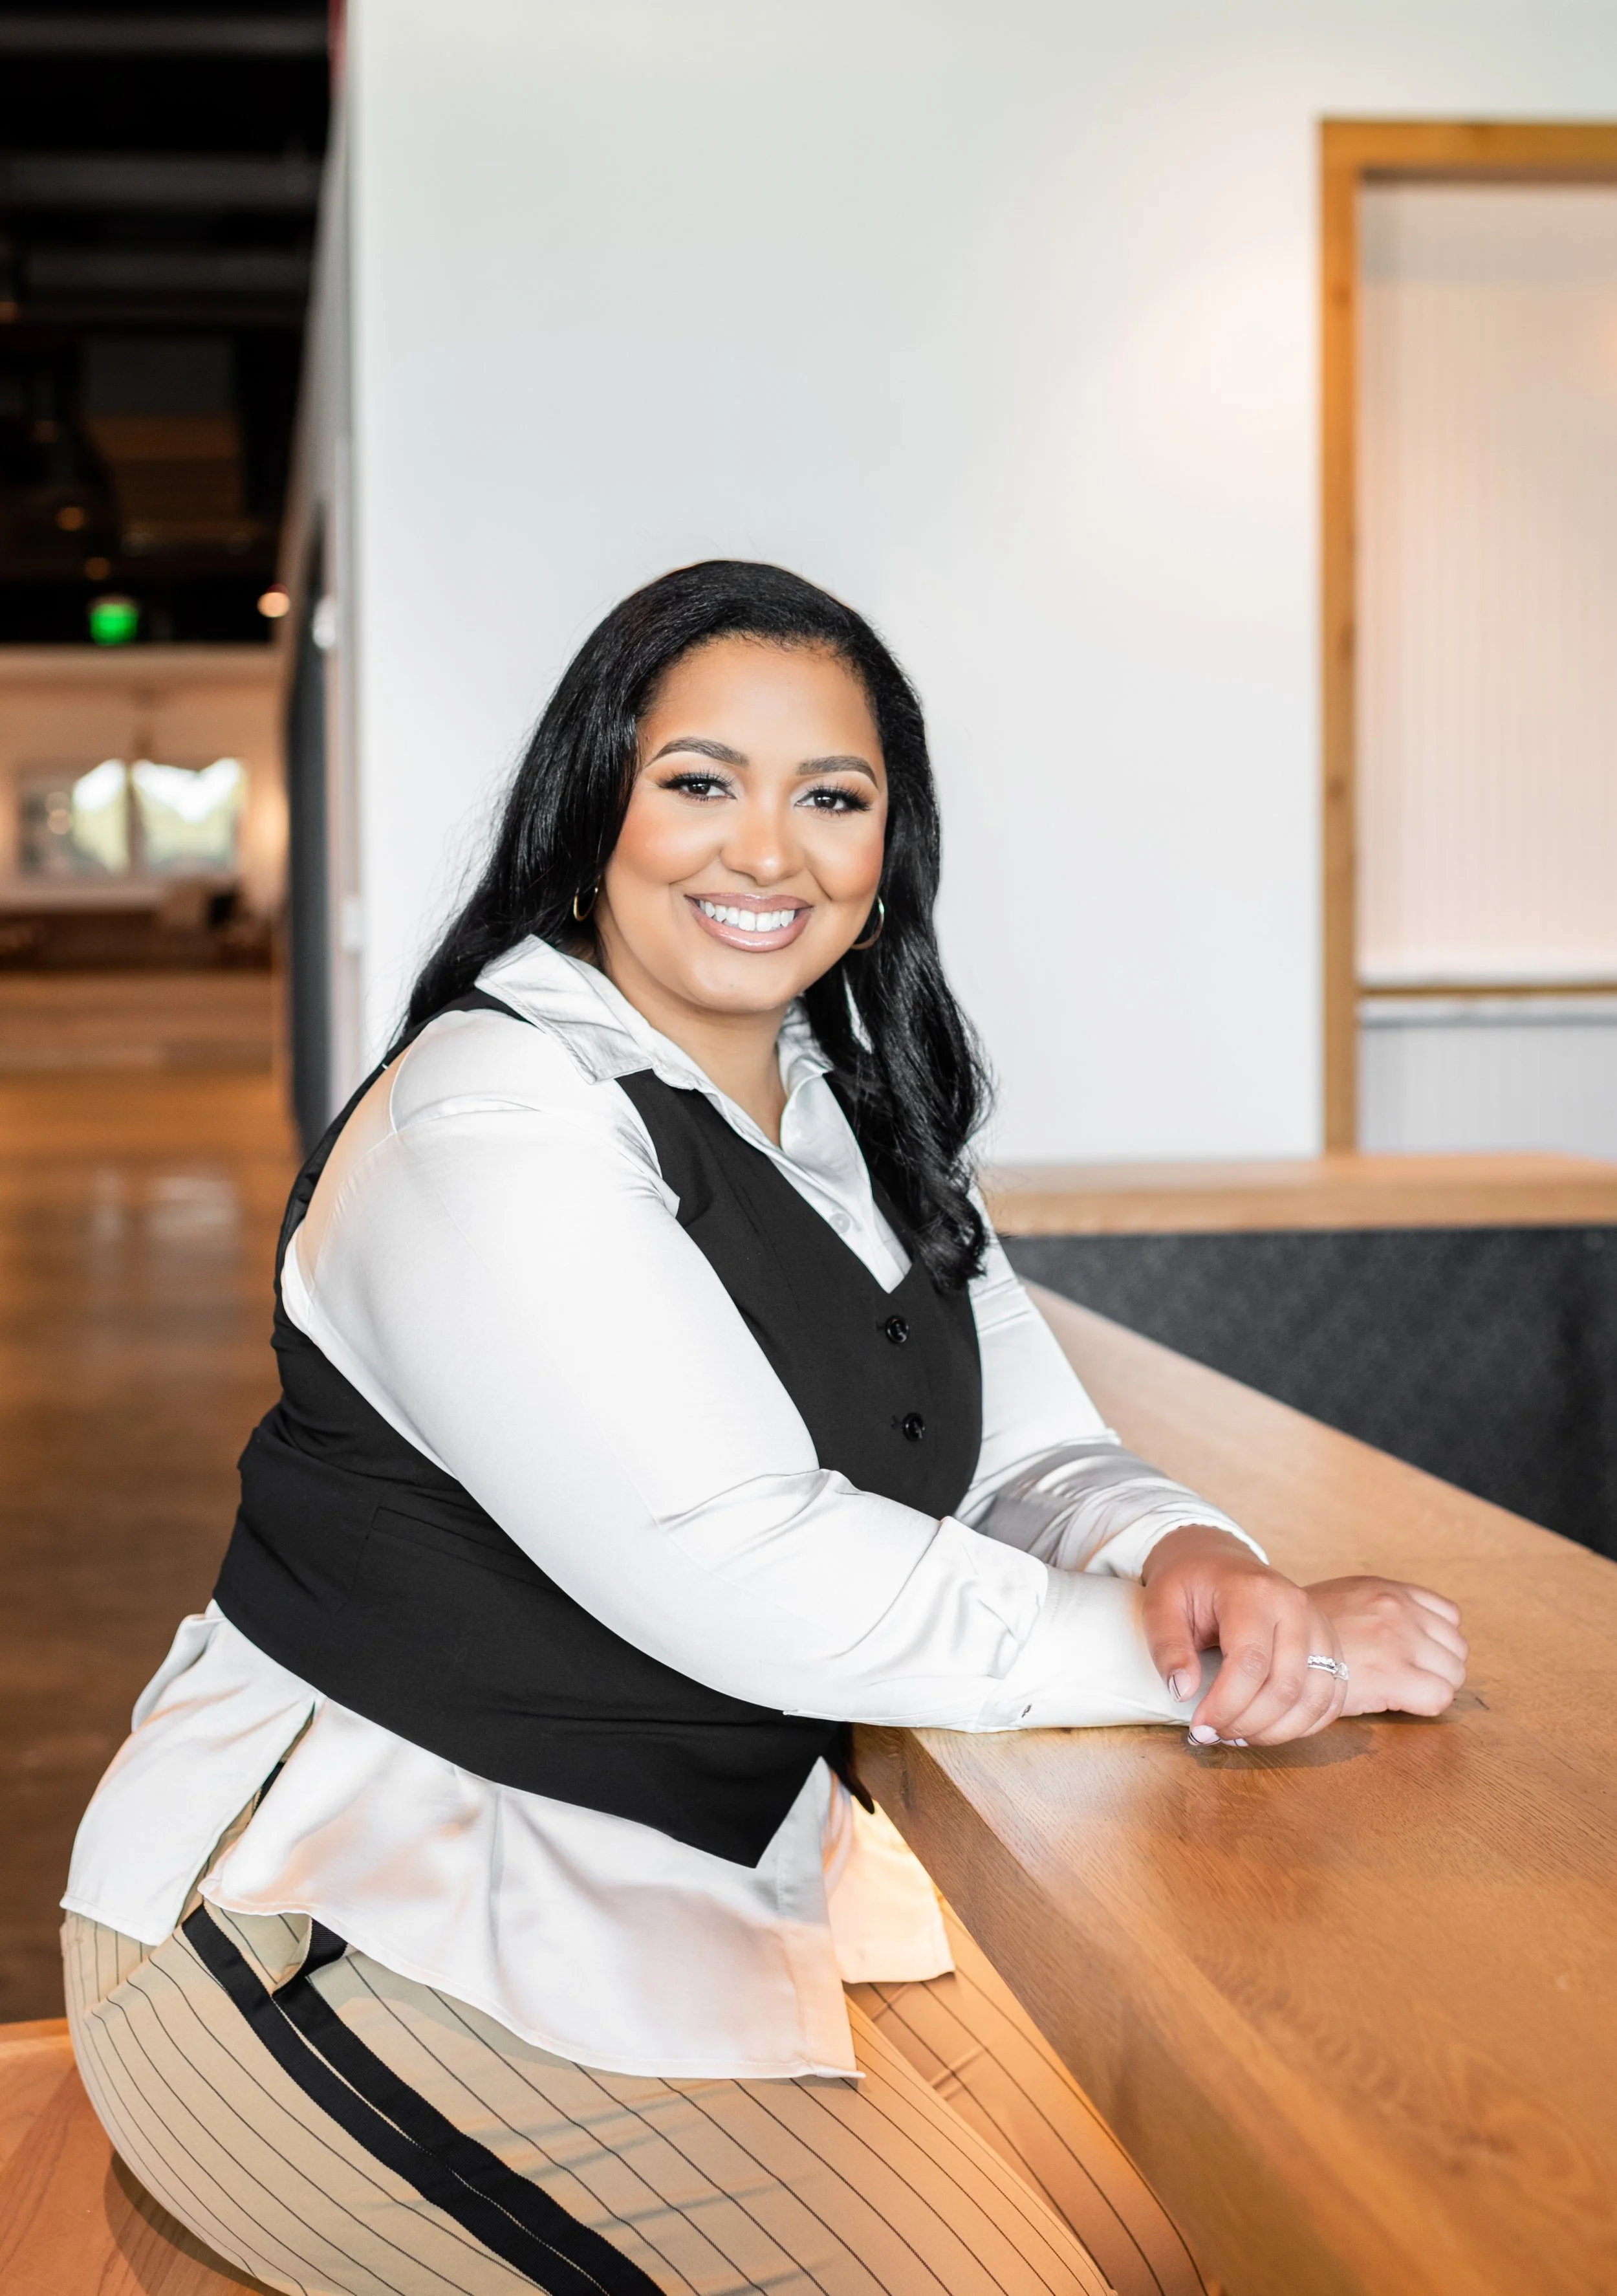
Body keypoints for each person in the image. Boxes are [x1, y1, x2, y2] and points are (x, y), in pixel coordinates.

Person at [62, 562, 1468, 2296]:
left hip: (671, 1891)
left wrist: (1193, 1560)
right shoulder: (489, 1113)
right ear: (591, 813)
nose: (767, 848)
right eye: (699, 781)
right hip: (324, 1917)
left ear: (890, 856)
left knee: (1170, 2238)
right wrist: (1229, 1662)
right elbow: (739, 1558)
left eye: (832, 796)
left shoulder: (847, 1111)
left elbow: (1024, 1450)